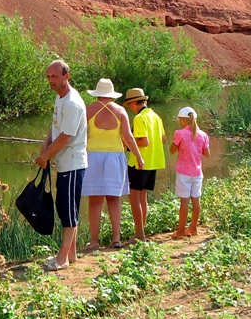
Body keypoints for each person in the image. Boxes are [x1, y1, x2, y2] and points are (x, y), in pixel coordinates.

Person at [36, 59, 87, 271]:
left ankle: (62, 258)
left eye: (54, 76)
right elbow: (57, 126)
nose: (51, 81)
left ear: (67, 76)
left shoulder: (73, 102)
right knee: (65, 207)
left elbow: (66, 137)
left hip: (73, 163)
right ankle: (71, 254)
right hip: (64, 162)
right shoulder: (61, 98)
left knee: (68, 211)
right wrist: (47, 142)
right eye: (48, 77)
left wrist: (45, 156)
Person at [81, 78, 143, 252]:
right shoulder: (121, 110)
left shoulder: (88, 110)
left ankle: (94, 241)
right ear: (112, 94)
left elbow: (79, 134)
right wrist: (139, 156)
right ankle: (116, 239)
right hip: (115, 157)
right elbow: (128, 138)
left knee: (94, 200)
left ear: (98, 93)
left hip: (92, 156)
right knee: (114, 199)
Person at [122, 88, 165, 242]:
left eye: (130, 105)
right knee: (143, 197)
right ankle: (141, 231)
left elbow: (143, 141)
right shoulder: (155, 116)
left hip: (138, 163)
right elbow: (163, 139)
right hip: (153, 161)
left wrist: (126, 142)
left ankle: (139, 233)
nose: (130, 109)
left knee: (134, 197)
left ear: (134, 103)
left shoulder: (139, 118)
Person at [170, 106, 210, 238]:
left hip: (183, 173)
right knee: (196, 200)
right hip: (197, 172)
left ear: (182, 120)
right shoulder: (203, 135)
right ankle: (193, 228)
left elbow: (172, 150)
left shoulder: (179, 133)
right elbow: (207, 154)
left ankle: (181, 230)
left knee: (184, 201)